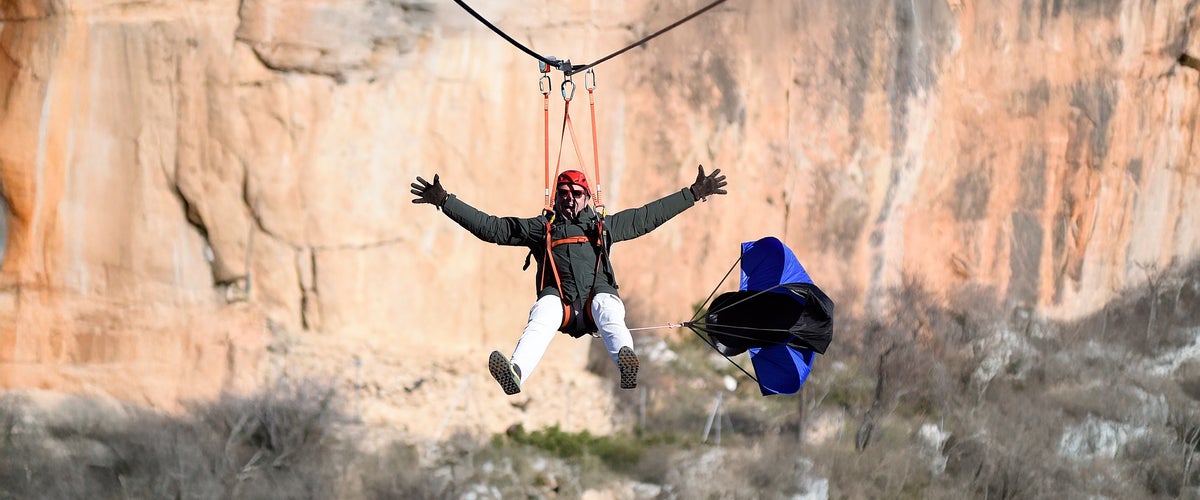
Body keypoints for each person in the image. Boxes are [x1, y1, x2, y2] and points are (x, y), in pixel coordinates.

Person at [410, 166, 728, 395]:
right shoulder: (542, 228)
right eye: (563, 194)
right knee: (542, 313)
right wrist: (445, 201)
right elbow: (493, 228)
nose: (570, 200)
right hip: (560, 303)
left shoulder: (604, 227)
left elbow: (647, 216)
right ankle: (516, 371)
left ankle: (626, 363)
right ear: (557, 198)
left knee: (608, 309)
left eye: (576, 194)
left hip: (595, 300)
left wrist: (694, 193)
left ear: (587, 197)